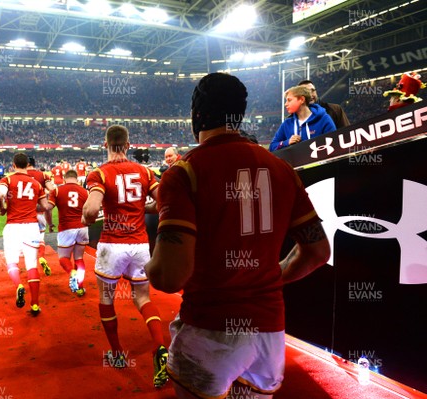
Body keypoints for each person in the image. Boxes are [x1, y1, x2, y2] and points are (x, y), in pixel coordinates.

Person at [145, 72, 331, 399]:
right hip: (268, 334)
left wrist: (146, 267)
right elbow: (317, 251)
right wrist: (269, 276)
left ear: (197, 115)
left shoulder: (185, 171)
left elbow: (169, 277)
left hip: (208, 329)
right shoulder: (280, 169)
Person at [82, 125, 169, 388]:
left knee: (107, 298)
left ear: (105, 144)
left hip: (112, 244)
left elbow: (91, 209)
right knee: (142, 298)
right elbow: (164, 201)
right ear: (128, 145)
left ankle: (118, 354)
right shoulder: (144, 171)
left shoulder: (99, 173)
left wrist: (89, 214)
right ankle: (160, 348)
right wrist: (144, 207)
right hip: (140, 243)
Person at [0, 152, 51, 317]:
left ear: (13, 165)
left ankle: (19, 285)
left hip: (13, 226)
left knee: (12, 262)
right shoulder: (35, 184)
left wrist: (2, 208)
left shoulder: (8, 179)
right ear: (28, 165)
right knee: (32, 264)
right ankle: (34, 304)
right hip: (31, 227)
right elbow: (46, 206)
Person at [48, 169, 89, 296]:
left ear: (64, 178)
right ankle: (80, 287)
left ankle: (72, 273)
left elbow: (48, 208)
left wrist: (50, 224)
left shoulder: (57, 190)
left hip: (66, 228)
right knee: (79, 258)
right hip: (83, 227)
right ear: (77, 179)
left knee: (63, 258)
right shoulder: (85, 192)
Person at [269, 85, 336, 152]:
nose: (285, 104)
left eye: (289, 100)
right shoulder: (287, 123)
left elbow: (334, 144)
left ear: (302, 99)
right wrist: (287, 142)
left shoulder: (324, 119)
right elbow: (272, 147)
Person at [26, 156, 55, 276]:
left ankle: (31, 268)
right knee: (40, 237)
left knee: (27, 242)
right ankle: (41, 257)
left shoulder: (18, 177)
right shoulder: (43, 175)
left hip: (24, 213)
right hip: (39, 211)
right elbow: (53, 190)